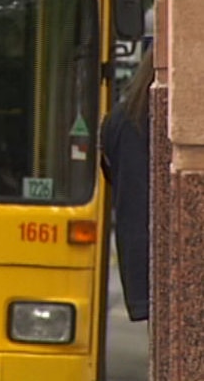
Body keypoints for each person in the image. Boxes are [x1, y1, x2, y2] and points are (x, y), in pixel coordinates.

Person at [100, 45, 153, 322]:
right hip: (170, 268)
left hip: (142, 267)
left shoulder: (121, 118)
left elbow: (112, 176)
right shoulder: (153, 118)